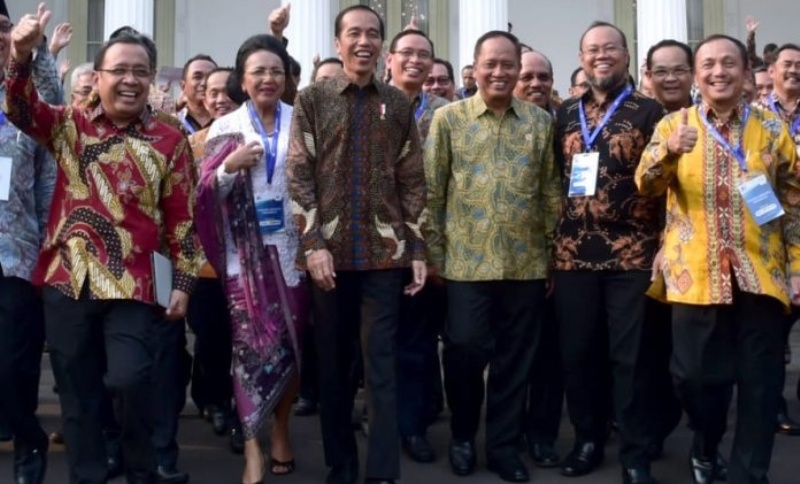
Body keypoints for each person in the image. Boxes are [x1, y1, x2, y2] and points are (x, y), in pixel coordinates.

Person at [4, 6, 203, 482]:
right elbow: (18, 107)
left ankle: (139, 468)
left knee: (131, 378)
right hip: (66, 280)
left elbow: (182, 219)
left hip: (135, 282)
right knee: (77, 393)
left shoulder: (169, 139)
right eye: (119, 70)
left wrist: (184, 282)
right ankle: (88, 474)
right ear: (97, 77)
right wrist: (20, 53)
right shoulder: (68, 124)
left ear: (151, 77)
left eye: (140, 71)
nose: (129, 80)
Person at [636, 33, 800, 484]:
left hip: (760, 273)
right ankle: (705, 442)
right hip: (695, 274)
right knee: (694, 379)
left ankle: (751, 472)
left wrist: (797, 266)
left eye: (729, 63)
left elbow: (794, 199)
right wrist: (668, 153)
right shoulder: (675, 125)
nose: (718, 72)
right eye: (708, 64)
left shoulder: (770, 128)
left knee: (760, 385)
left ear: (746, 72)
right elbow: (645, 183)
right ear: (696, 74)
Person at [287, 5, 427, 483]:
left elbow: (412, 181)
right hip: (329, 257)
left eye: (372, 34)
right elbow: (300, 177)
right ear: (338, 41)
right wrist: (313, 245)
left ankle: (382, 472)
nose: (363, 41)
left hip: (384, 257)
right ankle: (340, 465)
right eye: (354, 34)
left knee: (381, 365)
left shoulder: (399, 103)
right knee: (334, 367)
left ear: (382, 45)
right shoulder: (313, 99)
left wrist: (418, 249)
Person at [426, 30, 560, 483]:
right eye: (491, 64)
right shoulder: (448, 119)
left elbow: (549, 192)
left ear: (518, 69)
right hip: (465, 263)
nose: (500, 73)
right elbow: (433, 190)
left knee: (514, 359)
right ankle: (463, 435)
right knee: (463, 349)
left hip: (525, 263)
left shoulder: (540, 122)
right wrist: (436, 254)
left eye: (509, 65)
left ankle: (503, 446)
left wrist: (551, 255)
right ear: (476, 67)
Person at [552, 21, 665, 484]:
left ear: (625, 55)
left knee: (631, 358)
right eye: (592, 50)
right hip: (572, 255)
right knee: (579, 353)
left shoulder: (650, 111)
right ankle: (587, 439)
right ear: (581, 58)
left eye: (610, 49)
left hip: (632, 255)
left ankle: (635, 453)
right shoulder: (563, 113)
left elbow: (666, 185)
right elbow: (551, 180)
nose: (601, 56)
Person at [196, 34, 305, 484]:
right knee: (249, 350)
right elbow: (204, 194)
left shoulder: (301, 122)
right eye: (258, 71)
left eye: (276, 71)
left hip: (293, 252)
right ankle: (252, 447)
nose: (267, 78)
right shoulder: (226, 128)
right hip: (244, 258)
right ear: (242, 79)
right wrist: (229, 165)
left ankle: (281, 427)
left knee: (294, 349)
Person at [0, 2, 61, 482]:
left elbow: (48, 176)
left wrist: (48, 247)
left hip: (15, 255)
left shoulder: (22, 98)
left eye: (3, 30)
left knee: (14, 364)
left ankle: (28, 440)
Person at [385, 28, 448, 465]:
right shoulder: (371, 105)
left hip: (431, 243)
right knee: (380, 341)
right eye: (406, 53)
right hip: (378, 242)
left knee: (419, 340)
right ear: (390, 58)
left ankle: (414, 424)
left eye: (423, 54)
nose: (414, 60)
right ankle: (390, 420)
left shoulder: (447, 113)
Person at [763, 43, 800, 437]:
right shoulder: (757, 117)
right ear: (771, 70)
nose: (794, 71)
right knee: (773, 335)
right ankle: (772, 407)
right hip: (771, 235)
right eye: (787, 65)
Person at [178, 53, 217, 134]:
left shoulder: (229, 121)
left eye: (210, 76)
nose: (204, 83)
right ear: (183, 86)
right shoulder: (173, 122)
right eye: (197, 77)